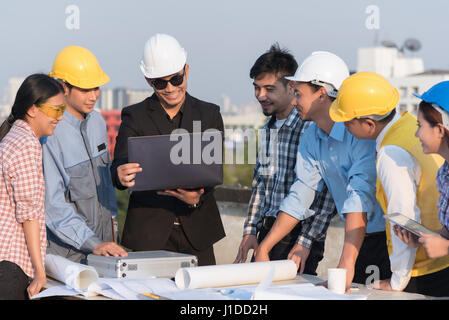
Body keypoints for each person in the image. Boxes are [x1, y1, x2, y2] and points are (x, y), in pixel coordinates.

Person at [254, 52, 391, 292]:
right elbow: (301, 195)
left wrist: (345, 266)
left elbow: (360, 198)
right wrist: (264, 247)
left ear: (322, 93)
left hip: (390, 239)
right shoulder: (311, 137)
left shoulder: (360, 133)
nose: (294, 101)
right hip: (360, 238)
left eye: (298, 94)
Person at [329, 72, 449, 297]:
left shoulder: (391, 153)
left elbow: (402, 213)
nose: (344, 126)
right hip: (436, 260)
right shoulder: (407, 127)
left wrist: (397, 282)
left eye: (347, 121)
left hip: (424, 273)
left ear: (368, 124)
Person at [110, 33, 225, 266]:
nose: (170, 88)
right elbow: (118, 166)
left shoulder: (209, 114)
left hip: (197, 232)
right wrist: (120, 175)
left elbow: (213, 171)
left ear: (187, 71)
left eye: (176, 79)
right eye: (161, 83)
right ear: (148, 81)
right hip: (149, 232)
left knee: (200, 299)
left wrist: (196, 198)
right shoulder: (135, 116)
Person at [233, 44, 336, 276]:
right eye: (257, 88)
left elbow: (324, 194)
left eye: (269, 89)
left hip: (298, 234)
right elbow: (260, 183)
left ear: (292, 87)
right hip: (268, 230)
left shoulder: (310, 127)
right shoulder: (268, 129)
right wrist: (250, 231)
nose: (261, 96)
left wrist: (306, 241)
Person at [42, 46, 127, 264]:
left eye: (96, 88)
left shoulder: (97, 122)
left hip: (105, 248)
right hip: (68, 256)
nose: (93, 96)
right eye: (85, 89)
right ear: (63, 87)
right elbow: (52, 206)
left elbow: (105, 190)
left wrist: (110, 236)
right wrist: (92, 243)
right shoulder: (50, 133)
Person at [0, 74, 65, 299]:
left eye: (62, 110)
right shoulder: (27, 144)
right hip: (12, 265)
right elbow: (28, 213)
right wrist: (39, 271)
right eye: (55, 110)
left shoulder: (11, 137)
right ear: (32, 109)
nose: (59, 117)